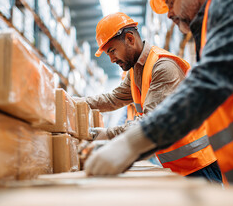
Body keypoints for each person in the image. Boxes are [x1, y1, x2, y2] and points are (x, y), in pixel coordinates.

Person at [84, 0, 233, 199]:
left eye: (171, 1)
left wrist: (131, 143)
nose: (168, 14)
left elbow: (207, 85)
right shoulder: (210, 30)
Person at [81, 12, 222, 183]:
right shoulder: (135, 71)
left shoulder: (162, 67)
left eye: (112, 51)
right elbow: (113, 99)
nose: (111, 59)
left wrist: (106, 135)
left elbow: (149, 120)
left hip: (199, 164)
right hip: (176, 165)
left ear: (130, 39)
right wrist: (77, 103)